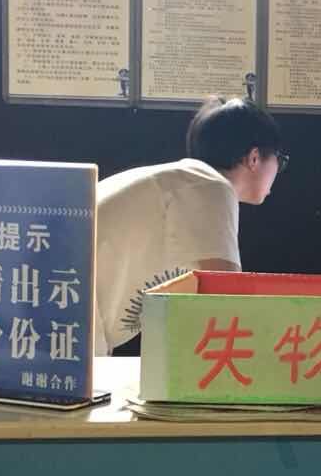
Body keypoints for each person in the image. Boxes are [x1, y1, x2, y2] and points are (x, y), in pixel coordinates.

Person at [94, 97, 286, 355]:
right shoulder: (211, 187)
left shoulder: (186, 182)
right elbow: (227, 302)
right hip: (73, 317)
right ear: (254, 158)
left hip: (63, 310)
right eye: (279, 160)